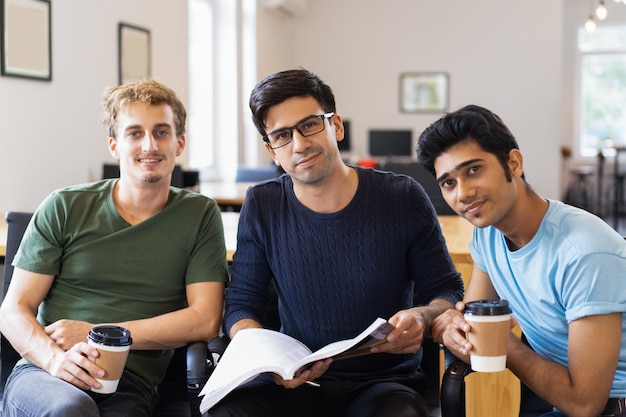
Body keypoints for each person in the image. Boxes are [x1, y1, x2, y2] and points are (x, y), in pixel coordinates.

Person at [205, 68, 464, 417]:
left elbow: (448, 290)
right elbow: (240, 307)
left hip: (383, 383)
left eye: (309, 125)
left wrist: (424, 315)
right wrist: (269, 361)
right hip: (296, 384)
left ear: (336, 126)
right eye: (282, 135)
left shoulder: (402, 196)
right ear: (272, 150)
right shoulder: (263, 204)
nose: (299, 144)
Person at [0, 79, 229, 416]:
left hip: (130, 382)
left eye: (161, 132)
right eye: (134, 133)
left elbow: (204, 320)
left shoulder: (200, 215)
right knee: (70, 408)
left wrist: (98, 333)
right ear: (114, 145)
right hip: (46, 373)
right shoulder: (65, 205)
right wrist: (54, 360)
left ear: (179, 143)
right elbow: (13, 310)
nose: (149, 145)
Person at [417, 104, 626, 417]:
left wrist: (498, 341)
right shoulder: (487, 234)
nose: (463, 193)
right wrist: (452, 327)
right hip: (553, 398)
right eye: (448, 182)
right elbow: (472, 324)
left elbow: (585, 405)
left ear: (513, 163)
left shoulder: (584, 253)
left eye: (474, 170)